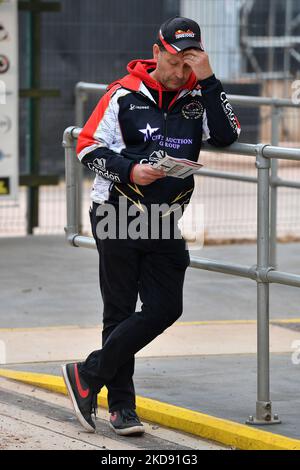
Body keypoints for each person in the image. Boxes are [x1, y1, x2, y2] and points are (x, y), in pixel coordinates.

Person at [62, 16, 241, 436]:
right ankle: (122, 409)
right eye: (177, 61)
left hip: (165, 218)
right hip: (117, 210)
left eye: (190, 63)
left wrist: (209, 79)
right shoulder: (123, 94)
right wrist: (129, 170)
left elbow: (228, 135)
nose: (182, 72)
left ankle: (86, 374)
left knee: (166, 307)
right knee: (119, 310)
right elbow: (87, 145)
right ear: (157, 52)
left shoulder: (198, 93)